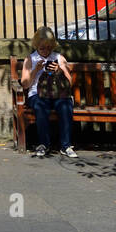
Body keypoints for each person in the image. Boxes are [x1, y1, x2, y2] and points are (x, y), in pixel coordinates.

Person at [21, 25, 76, 159]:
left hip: (58, 93)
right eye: (42, 48)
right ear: (36, 45)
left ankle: (66, 145)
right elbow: (25, 83)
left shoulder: (58, 57)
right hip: (37, 94)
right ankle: (44, 144)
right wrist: (36, 70)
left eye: (49, 47)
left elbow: (70, 82)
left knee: (65, 106)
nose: (46, 51)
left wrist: (60, 70)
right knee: (40, 107)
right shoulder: (30, 59)